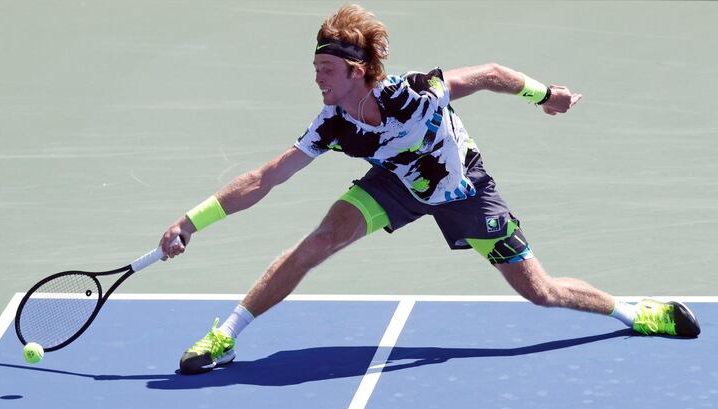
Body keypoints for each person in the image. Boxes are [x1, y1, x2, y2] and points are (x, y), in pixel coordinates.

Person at [160, 4, 700, 375]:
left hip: (465, 189)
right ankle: (226, 335)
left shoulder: (418, 93)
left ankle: (635, 312)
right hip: (394, 184)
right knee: (317, 242)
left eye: (326, 70)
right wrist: (190, 221)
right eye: (315, 69)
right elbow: (264, 177)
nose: (317, 80)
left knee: (541, 292)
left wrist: (545, 95)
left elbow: (489, 73)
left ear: (356, 70)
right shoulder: (331, 124)